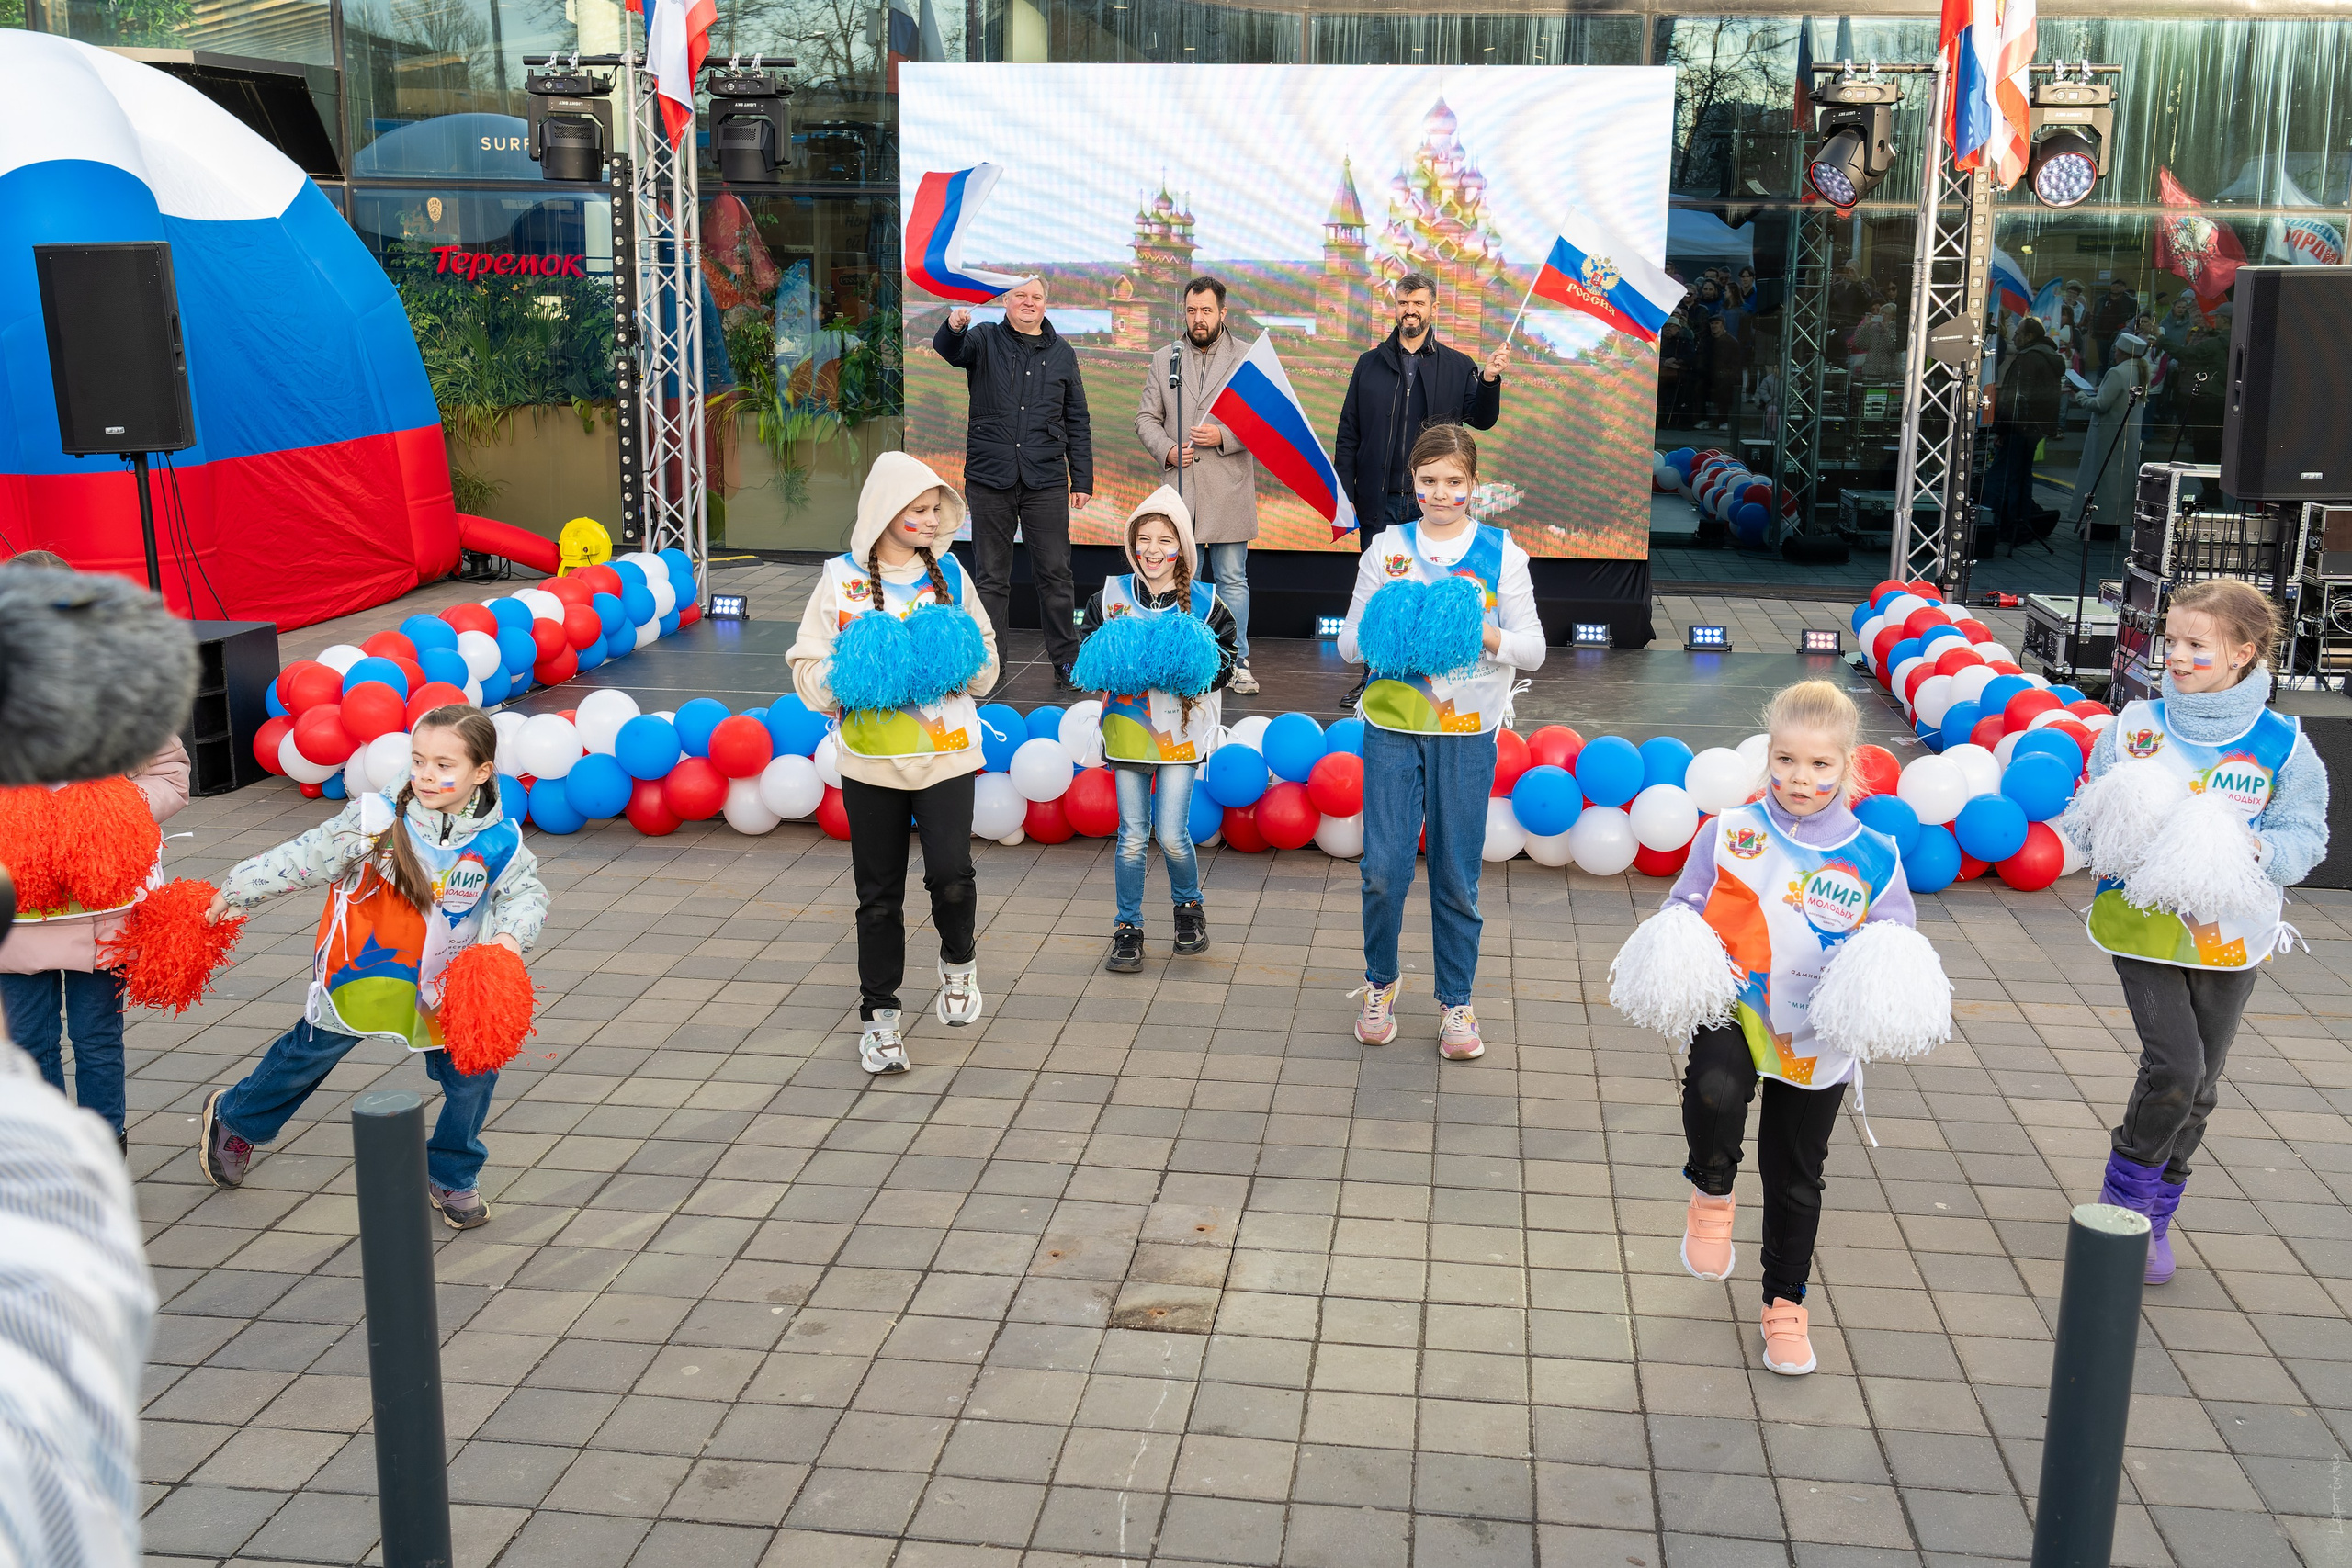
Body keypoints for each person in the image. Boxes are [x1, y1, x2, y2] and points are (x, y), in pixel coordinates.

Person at [1657, 681, 1928, 1376]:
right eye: (1784, 760)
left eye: (1818, 765)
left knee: (1796, 1177)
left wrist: (1877, 975)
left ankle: (1785, 1301)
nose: (1798, 778)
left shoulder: (1877, 854)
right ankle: (1712, 1192)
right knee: (1714, 1091)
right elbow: (1685, 900)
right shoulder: (1730, 830)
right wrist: (1683, 933)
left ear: (1849, 765)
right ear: (1768, 755)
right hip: (1737, 1009)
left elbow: (1896, 934)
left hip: (1818, 1036)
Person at [2066, 580, 2330, 1285]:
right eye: (2171, 641)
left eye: (2195, 645)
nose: (2175, 657)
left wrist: (2258, 852)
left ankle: (2159, 1207)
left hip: (2231, 933)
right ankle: (2125, 1206)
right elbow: (2090, 820)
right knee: (2175, 1068)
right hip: (2143, 925)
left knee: (2204, 1083)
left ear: (2243, 653)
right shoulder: (2134, 727)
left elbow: (2306, 831)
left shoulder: (2284, 744)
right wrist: (2123, 826)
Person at [197, 707, 547, 1229]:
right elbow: (307, 855)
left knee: (474, 1076)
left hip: (447, 989)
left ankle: (452, 1171)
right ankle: (236, 1118)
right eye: (420, 761)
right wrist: (237, 888)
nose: (428, 775)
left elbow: (525, 894)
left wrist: (506, 940)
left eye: (445, 764)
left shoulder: (501, 842)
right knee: (304, 1059)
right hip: (361, 974)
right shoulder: (376, 822)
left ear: (482, 771)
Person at [1339, 423, 1544, 1061]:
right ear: (1413, 482)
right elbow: (1349, 646)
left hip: (1466, 734)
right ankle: (1382, 982)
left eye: (1454, 482)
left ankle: (1457, 1002)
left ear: (1474, 485)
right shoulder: (1387, 548)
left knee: (1456, 875)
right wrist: (1392, 617)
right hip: (1393, 728)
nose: (1441, 493)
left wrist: (1479, 631)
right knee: (1383, 871)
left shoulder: (1502, 552)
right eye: (1429, 481)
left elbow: (1533, 650)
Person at [789, 451, 999, 1075]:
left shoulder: (952, 575)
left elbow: (986, 659)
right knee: (877, 898)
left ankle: (958, 963)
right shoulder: (838, 580)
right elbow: (806, 668)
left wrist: (954, 660)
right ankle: (880, 1020)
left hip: (946, 758)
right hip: (870, 764)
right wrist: (856, 671)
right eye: (920, 509)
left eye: (936, 510)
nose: (931, 520)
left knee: (952, 875)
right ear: (887, 511)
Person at [0, 551, 192, 1158]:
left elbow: (171, 771)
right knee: (29, 1043)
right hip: (18, 921)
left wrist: (118, 810)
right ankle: (57, 1150)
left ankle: (106, 1146)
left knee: (97, 1039)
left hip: (105, 912)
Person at [1076, 487, 1238, 974]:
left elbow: (1228, 664)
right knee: (1130, 836)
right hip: (1127, 733)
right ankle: (1128, 928)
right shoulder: (1109, 597)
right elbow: (1087, 658)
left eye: (1164, 540)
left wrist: (1186, 666)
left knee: (1170, 833)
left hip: (1180, 737)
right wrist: (1121, 661)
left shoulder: (1207, 603)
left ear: (1182, 548)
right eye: (1142, 539)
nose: (1152, 550)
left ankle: (1189, 910)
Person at [933, 277, 1092, 689]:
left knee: (1056, 575)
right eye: (1020, 295)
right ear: (1005, 301)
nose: (1028, 302)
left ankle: (1066, 661)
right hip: (990, 478)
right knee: (991, 578)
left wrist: (1083, 479)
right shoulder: (982, 339)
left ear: (1045, 304)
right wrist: (954, 326)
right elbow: (949, 350)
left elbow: (1077, 419)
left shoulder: (1063, 353)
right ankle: (991, 663)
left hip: (1047, 480)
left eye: (1036, 297)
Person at [1135, 276, 1261, 695]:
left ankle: (1236, 660)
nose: (1198, 318)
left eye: (1206, 310)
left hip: (1228, 488)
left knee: (1231, 578)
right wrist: (1168, 450)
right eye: (1191, 310)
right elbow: (1145, 419)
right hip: (1180, 489)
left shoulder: (1247, 359)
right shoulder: (1163, 359)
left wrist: (1225, 437)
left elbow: (1265, 424)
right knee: (1183, 578)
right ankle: (1186, 659)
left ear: (1223, 313)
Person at [1332, 274, 1509, 533]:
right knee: (1381, 574)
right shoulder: (1368, 364)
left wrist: (1489, 379)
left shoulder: (1458, 366)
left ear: (1433, 309)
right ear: (1396, 306)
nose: (1410, 311)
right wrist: (1345, 492)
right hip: (1379, 504)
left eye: (1418, 304)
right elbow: (1348, 433)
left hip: (1435, 500)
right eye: (1403, 303)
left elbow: (1482, 420)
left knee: (1437, 574)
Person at [1987, 317, 2066, 536]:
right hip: (2034, 428)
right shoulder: (2049, 357)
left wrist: (2001, 430)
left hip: (2018, 428)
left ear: (2030, 337)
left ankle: (1996, 525)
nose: (2014, 337)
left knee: (2003, 476)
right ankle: (2019, 524)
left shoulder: (2028, 358)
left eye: (2019, 334)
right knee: (2023, 477)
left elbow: (2012, 399)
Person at [2069, 331, 2150, 535]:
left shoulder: (2117, 372)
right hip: (2125, 435)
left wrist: (2078, 395)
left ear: (2120, 351)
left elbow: (2100, 404)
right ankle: (2114, 523)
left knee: (2101, 480)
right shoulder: (2139, 371)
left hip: (2107, 434)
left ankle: (2098, 522)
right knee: (2118, 481)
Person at [1703, 315, 1745, 434]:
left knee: (1723, 387)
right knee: (1698, 384)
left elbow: (1736, 364)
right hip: (1709, 374)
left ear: (1722, 325)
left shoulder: (1731, 342)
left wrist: (1725, 373)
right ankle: (1703, 419)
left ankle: (1723, 421)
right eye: (1712, 324)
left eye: (1716, 323)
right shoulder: (1707, 340)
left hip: (1727, 375)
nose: (1714, 326)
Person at [2091, 276, 2139, 378]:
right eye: (2114, 286)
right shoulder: (2101, 300)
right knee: (2103, 361)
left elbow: (2136, 318)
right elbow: (2095, 316)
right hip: (2102, 334)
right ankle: (2100, 384)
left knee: (2117, 360)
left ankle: (2116, 381)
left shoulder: (2131, 302)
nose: (2116, 288)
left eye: (2119, 286)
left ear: (2124, 288)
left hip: (2120, 335)